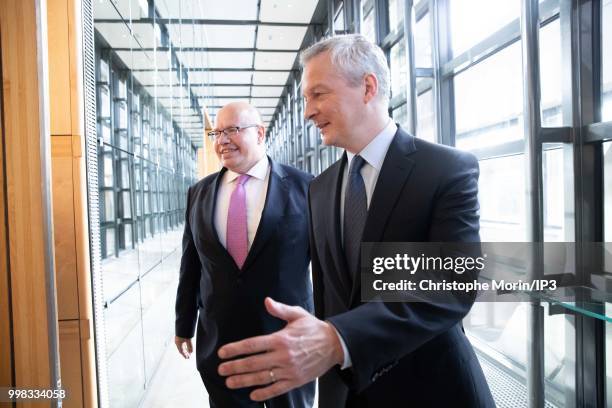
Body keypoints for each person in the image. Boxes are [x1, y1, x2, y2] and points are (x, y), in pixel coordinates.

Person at [215, 35, 496, 407]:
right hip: (345, 394)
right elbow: (330, 296)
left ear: (367, 87)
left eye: (318, 94)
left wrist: (338, 339)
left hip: (431, 390)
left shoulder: (445, 170)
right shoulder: (321, 188)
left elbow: (452, 283)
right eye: (304, 99)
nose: (307, 112)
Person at [174, 101, 315, 408]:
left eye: (233, 130)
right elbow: (192, 264)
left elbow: (329, 264)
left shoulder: (307, 188)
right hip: (221, 340)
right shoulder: (198, 193)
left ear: (260, 134)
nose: (221, 140)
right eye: (216, 132)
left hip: (287, 339)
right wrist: (183, 325)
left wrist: (336, 330)